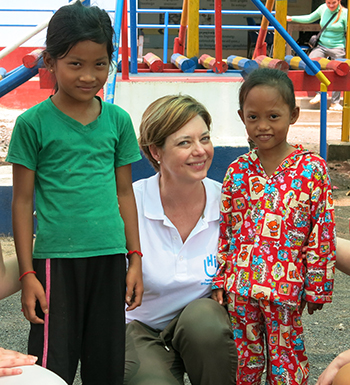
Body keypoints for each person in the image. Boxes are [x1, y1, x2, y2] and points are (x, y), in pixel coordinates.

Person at [5, 2, 143, 385]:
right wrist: (28, 273)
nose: (89, 75)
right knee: (51, 367)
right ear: (49, 61)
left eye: (100, 64)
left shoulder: (118, 121)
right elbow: (22, 201)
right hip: (55, 263)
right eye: (75, 64)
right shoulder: (32, 125)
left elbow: (125, 194)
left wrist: (134, 258)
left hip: (110, 257)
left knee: (106, 365)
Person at [212, 68, 336, 385]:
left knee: (287, 366)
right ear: (242, 116)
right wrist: (221, 278)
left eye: (273, 116)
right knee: (244, 365)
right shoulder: (237, 171)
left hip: (286, 289)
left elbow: (321, 232)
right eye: (253, 117)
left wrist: (317, 285)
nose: (263, 126)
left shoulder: (312, 169)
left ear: (293, 115)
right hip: (240, 288)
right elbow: (225, 230)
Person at [124, 94, 238, 385]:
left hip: (198, 326)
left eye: (205, 138)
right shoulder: (130, 204)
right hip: (139, 326)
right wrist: (25, 270)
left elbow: (295, 235)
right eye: (184, 142)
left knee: (207, 322)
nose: (200, 151)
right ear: (156, 151)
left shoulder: (230, 202)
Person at [287, 0, 347, 111]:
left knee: (339, 69)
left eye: (334, 3)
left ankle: (335, 102)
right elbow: (309, 18)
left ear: (339, 1)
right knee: (310, 63)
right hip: (322, 45)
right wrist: (292, 18)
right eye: (329, 3)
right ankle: (319, 93)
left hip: (338, 46)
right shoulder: (323, 8)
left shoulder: (345, 13)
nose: (331, 5)